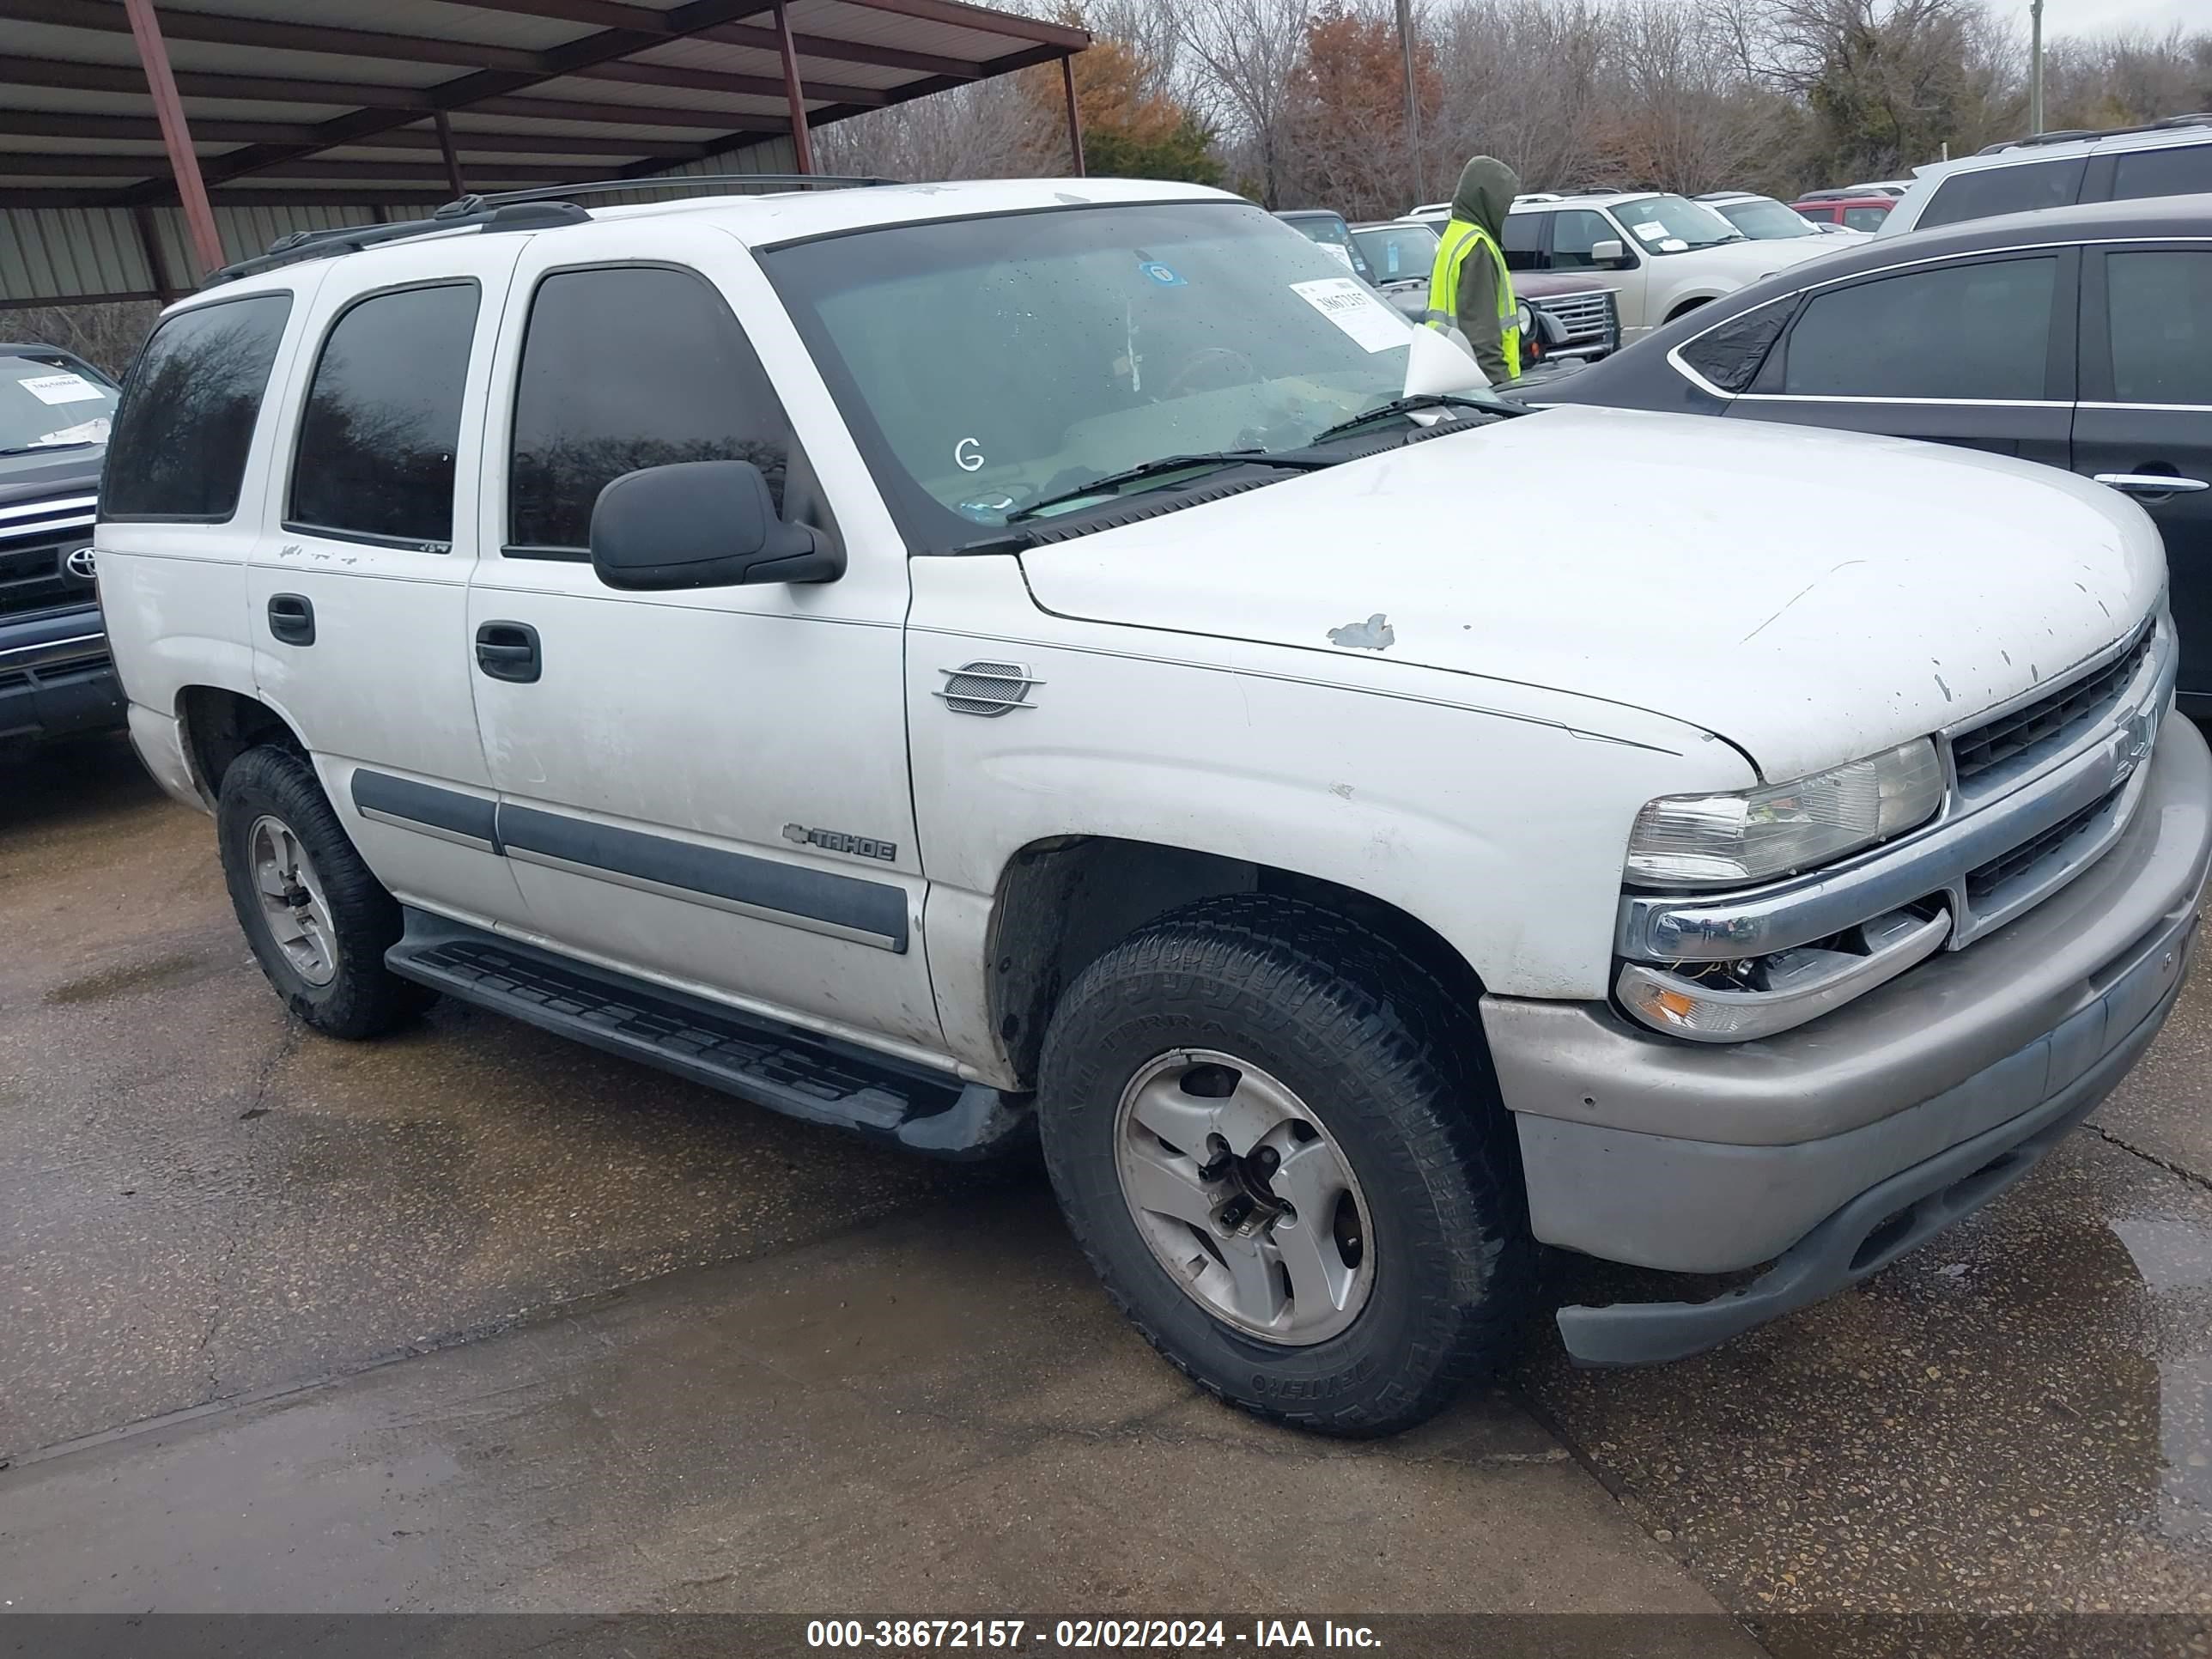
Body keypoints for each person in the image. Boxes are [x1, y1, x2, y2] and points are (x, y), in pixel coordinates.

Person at [1425, 155, 1522, 384]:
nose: (1507, 210)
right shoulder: (1476, 247)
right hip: (1482, 384)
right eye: (1504, 203)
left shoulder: (1454, 236)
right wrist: (1502, 391)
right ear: (1488, 200)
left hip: (1455, 374)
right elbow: (1483, 338)